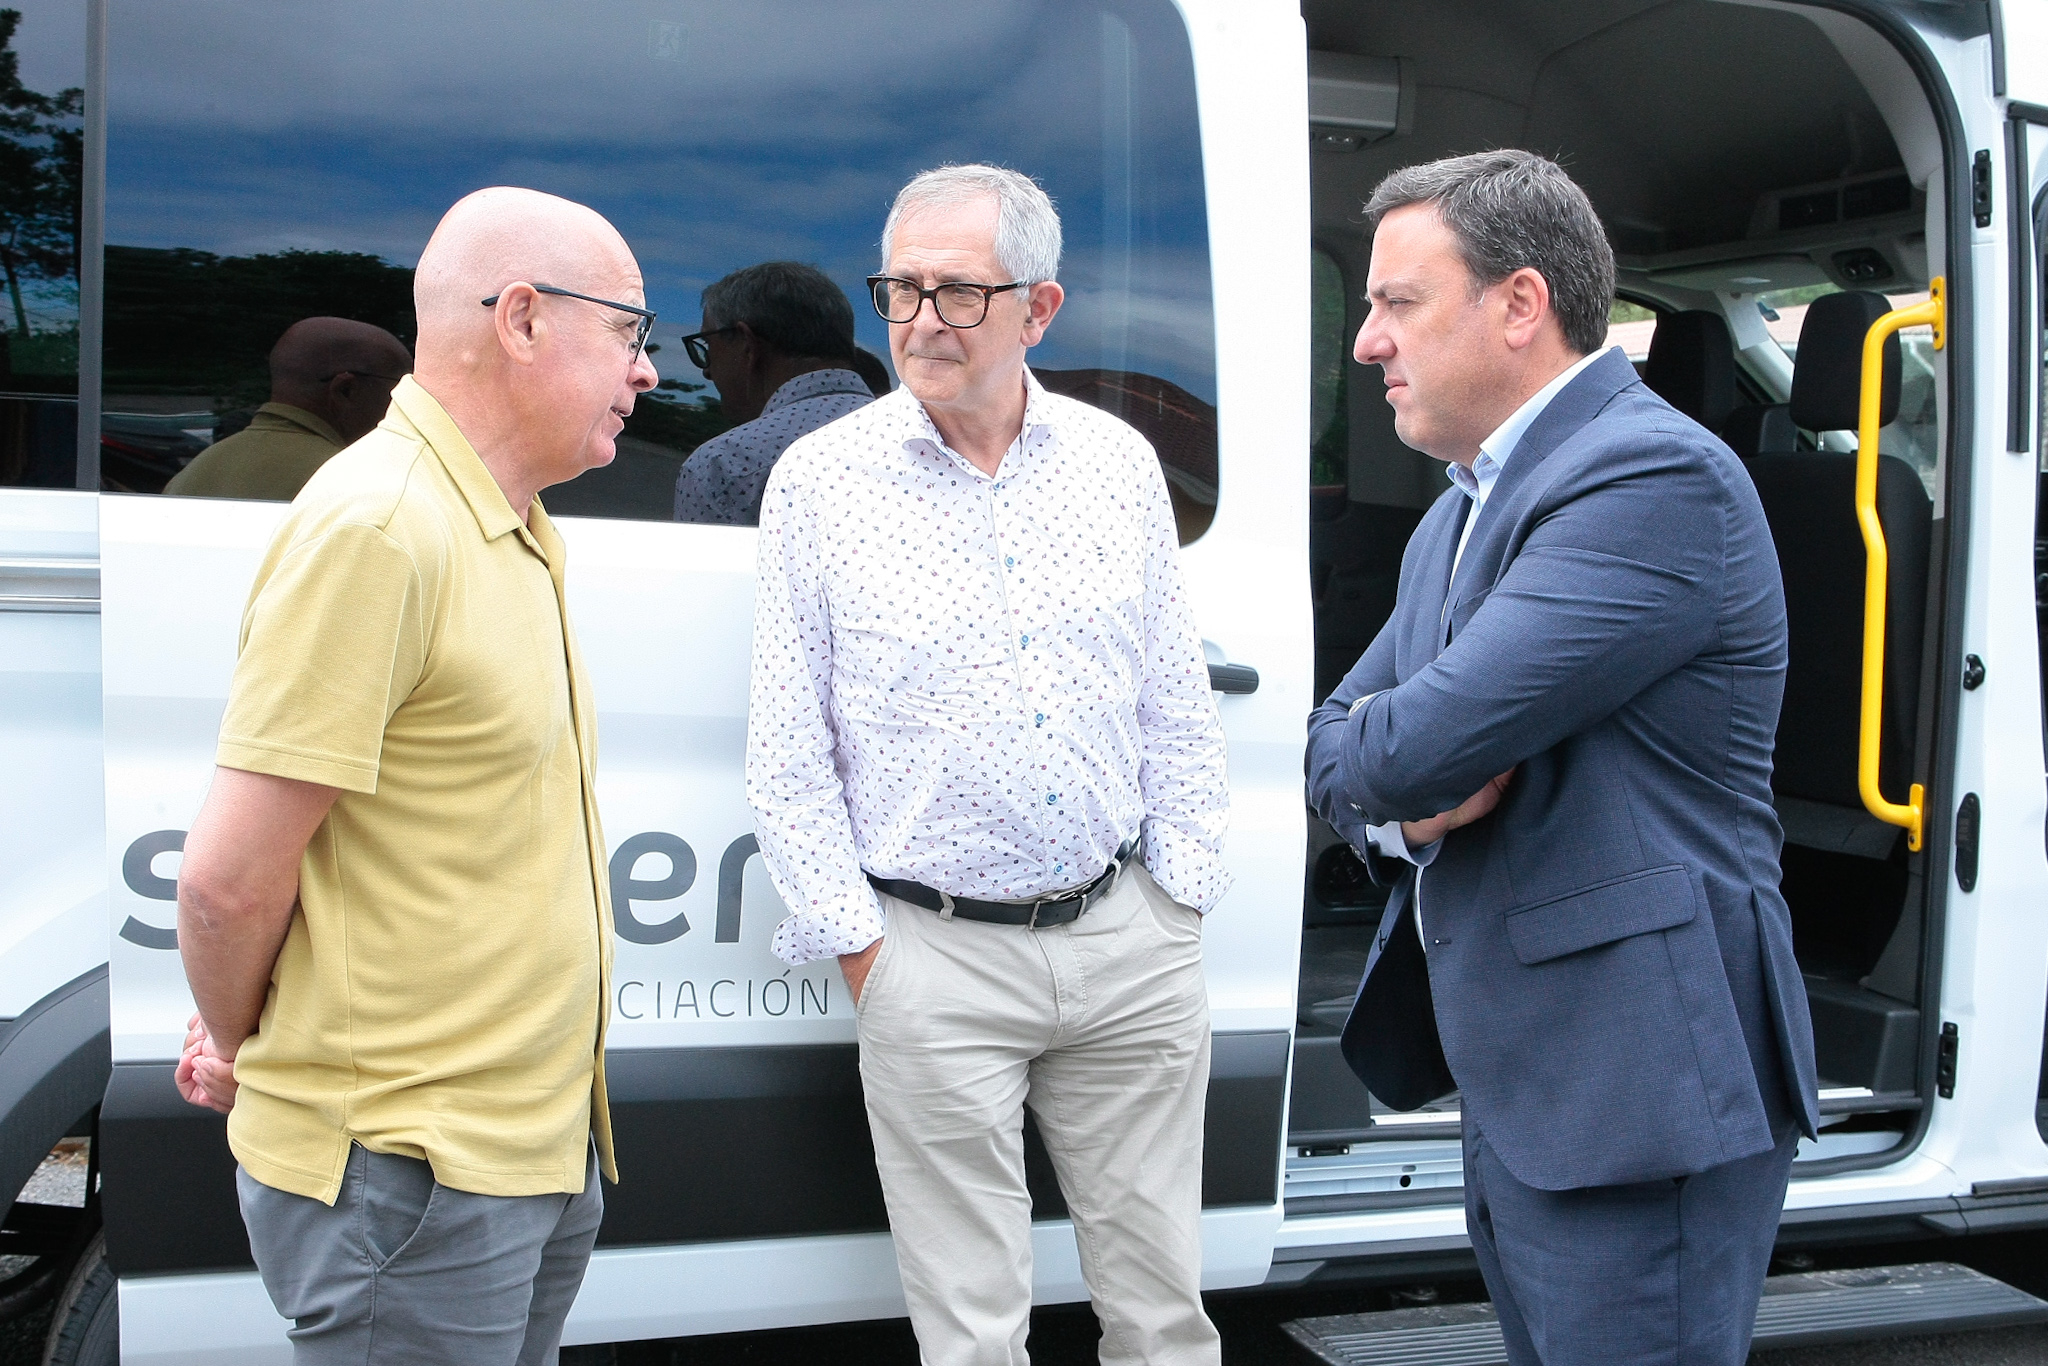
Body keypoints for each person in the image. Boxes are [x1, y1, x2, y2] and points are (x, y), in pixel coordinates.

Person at [1304, 150, 1817, 1365]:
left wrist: (1396, 774)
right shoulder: (1457, 505)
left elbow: (1406, 743)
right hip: (1535, 1084)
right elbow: (1335, 747)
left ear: (1519, 304)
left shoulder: (1651, 477)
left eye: (1397, 302)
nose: (1367, 342)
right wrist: (1403, 813)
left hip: (1638, 1095)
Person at [746, 163, 1230, 1366]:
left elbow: (1173, 696)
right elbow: (788, 745)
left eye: (957, 293)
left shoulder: (1117, 464)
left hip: (1125, 941)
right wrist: (868, 956)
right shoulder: (819, 482)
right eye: (900, 289)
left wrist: (1178, 896)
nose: (919, 320)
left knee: (1163, 1315)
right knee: (969, 1335)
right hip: (933, 955)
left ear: (1038, 309)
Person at [171, 185, 657, 1365]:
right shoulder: (382, 525)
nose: (646, 371)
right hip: (410, 1167)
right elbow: (229, 881)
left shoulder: (507, 518)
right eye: (628, 331)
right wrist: (237, 1041)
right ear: (523, 319)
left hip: (517, 1151)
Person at [672, 261, 873, 524]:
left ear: (746, 344)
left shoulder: (723, 465)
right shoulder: (919, 442)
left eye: (709, 345)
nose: (707, 371)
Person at [164, 317, 413, 500]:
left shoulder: (193, 472)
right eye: (400, 386)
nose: (404, 402)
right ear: (346, 390)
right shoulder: (357, 479)